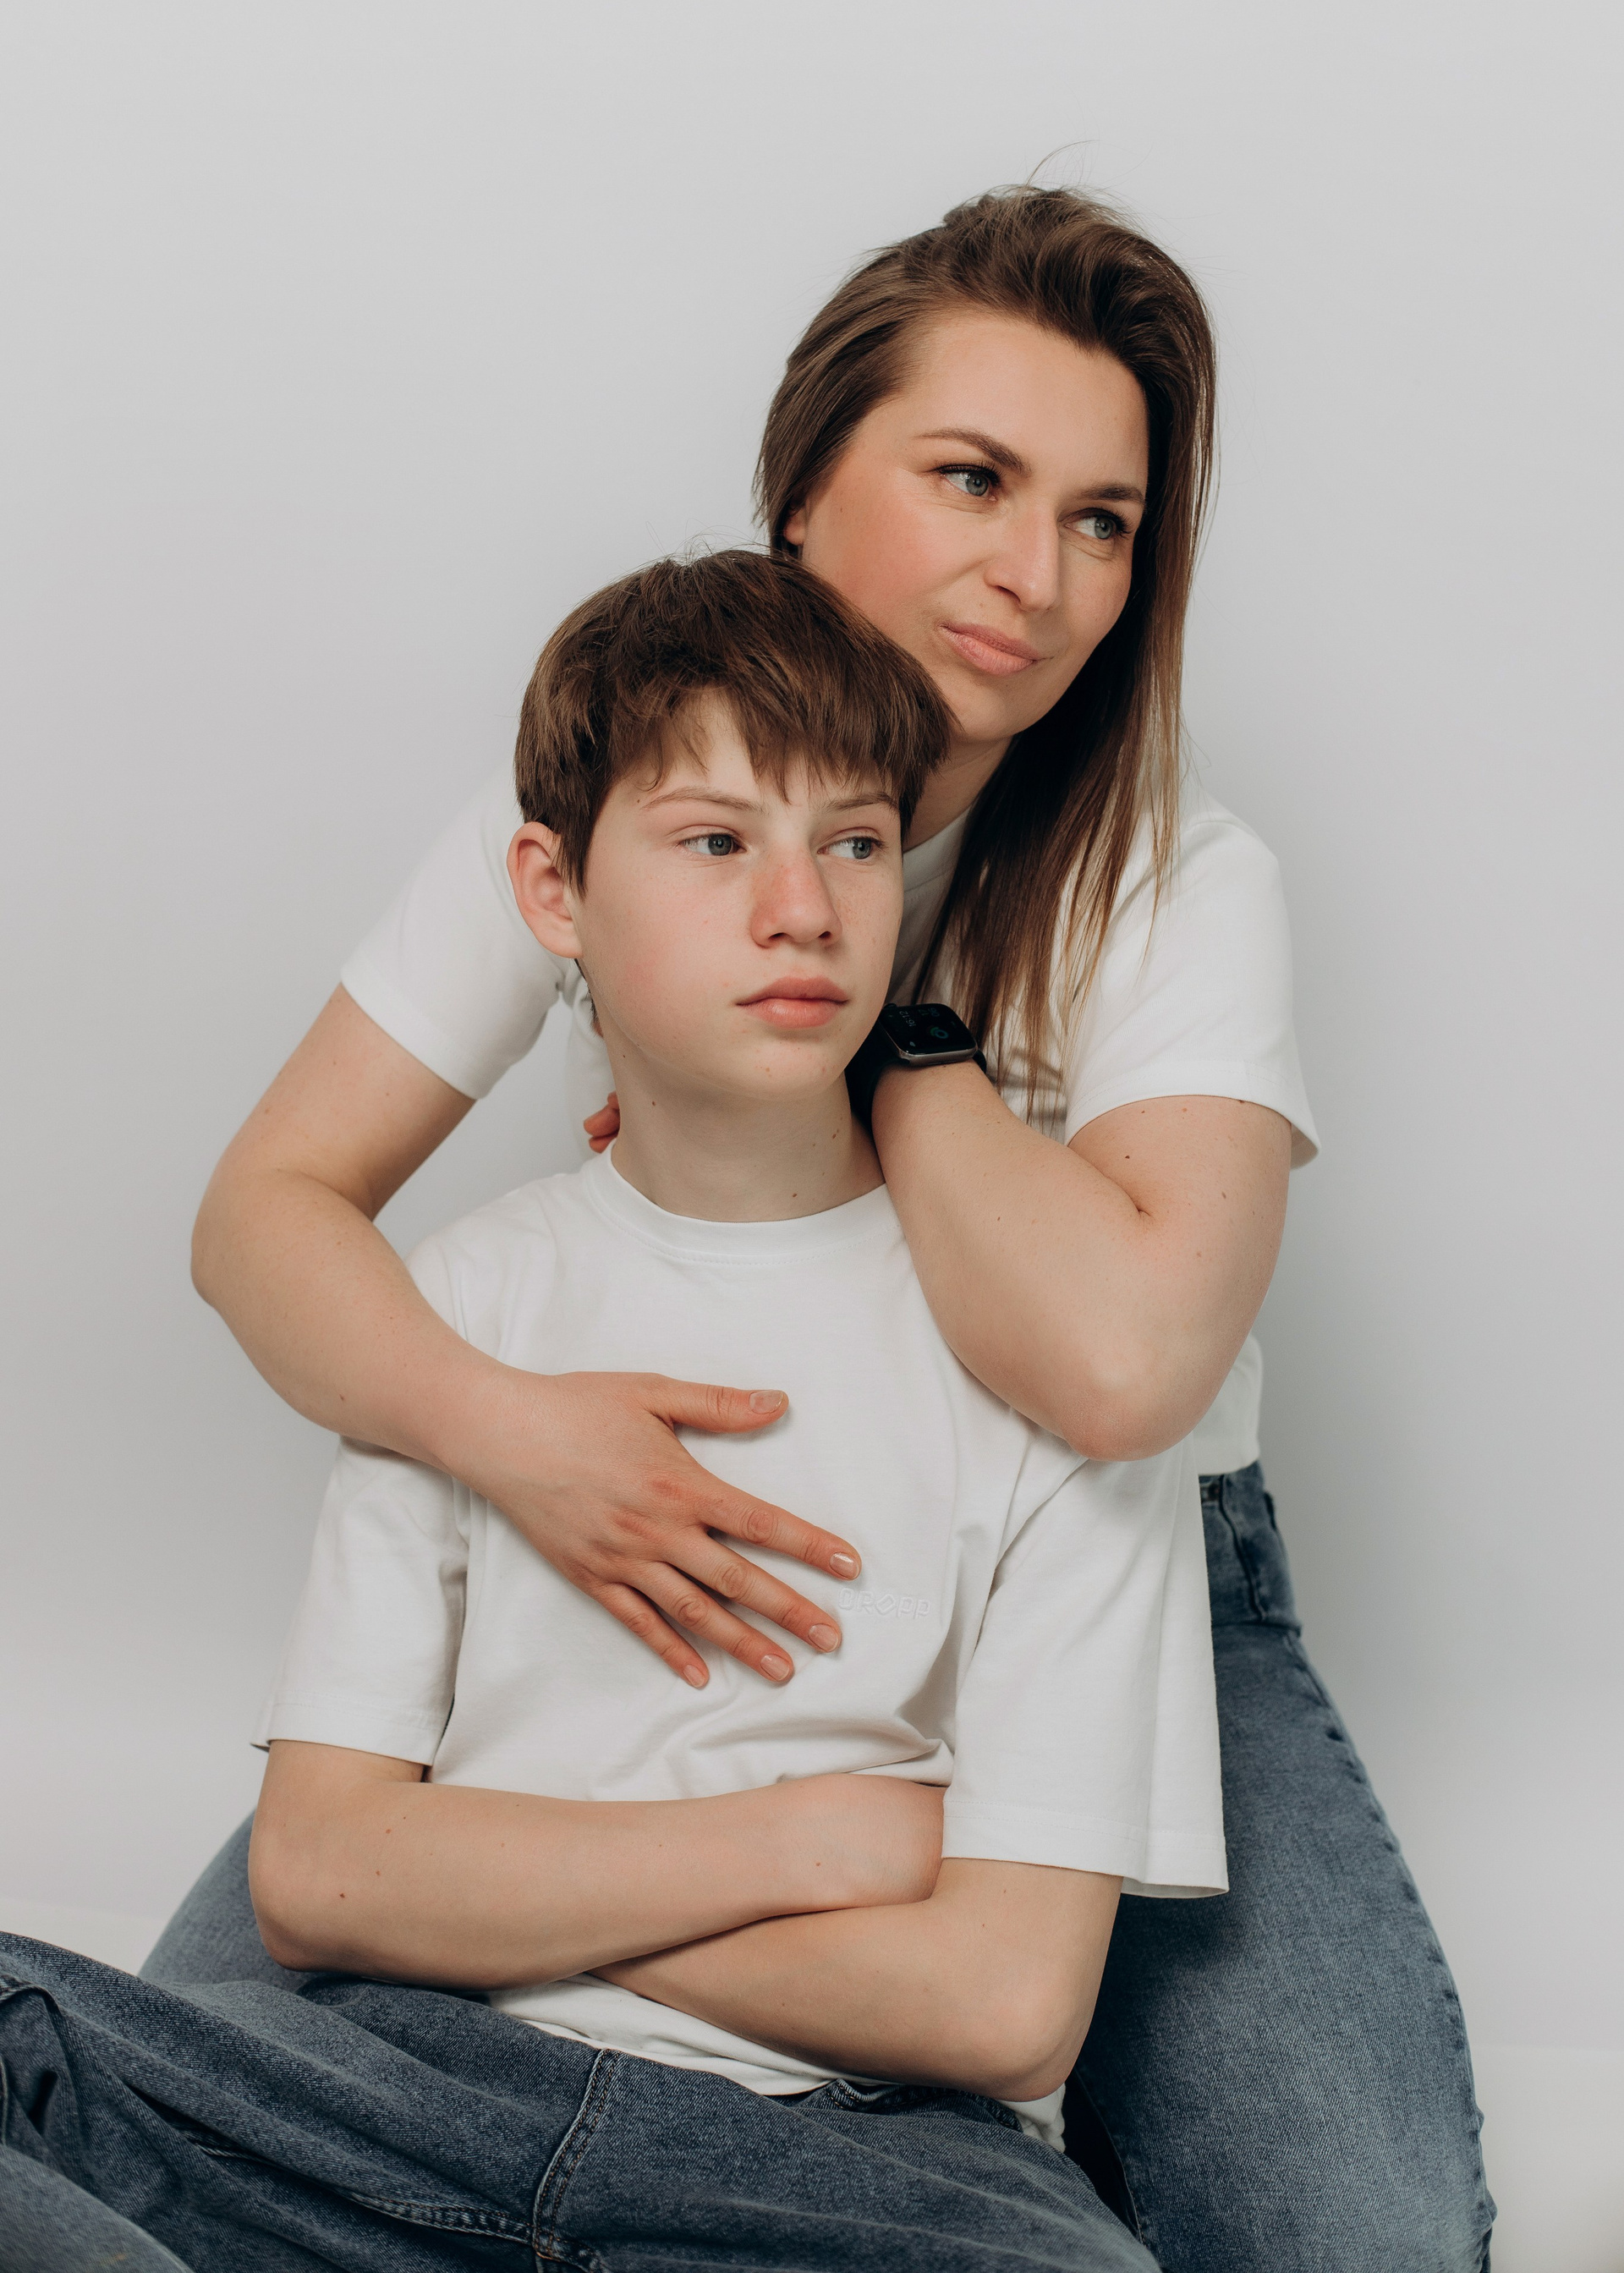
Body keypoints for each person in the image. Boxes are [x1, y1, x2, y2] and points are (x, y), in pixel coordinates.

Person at [156, 188, 1492, 2270]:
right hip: (646, 1539)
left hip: (1103, 1589)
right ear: (802, 495)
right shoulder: (623, 780)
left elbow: (1121, 1368)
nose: (1037, 576)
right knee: (170, 2101)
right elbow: (264, 1213)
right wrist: (521, 1439)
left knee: (1352, 2240)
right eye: (972, 478)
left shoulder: (1174, 878)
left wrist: (878, 1047)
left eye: (1105, 520)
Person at [2, 551, 1225, 2271]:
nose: (801, 909)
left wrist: (485, 1900)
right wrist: (810, 1841)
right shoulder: (458, 1311)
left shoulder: (1042, 1348)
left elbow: (1001, 2005)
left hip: (853, 2166)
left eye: (854, 843)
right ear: (552, 890)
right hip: (406, 2094)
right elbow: (321, 1877)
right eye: (716, 841)